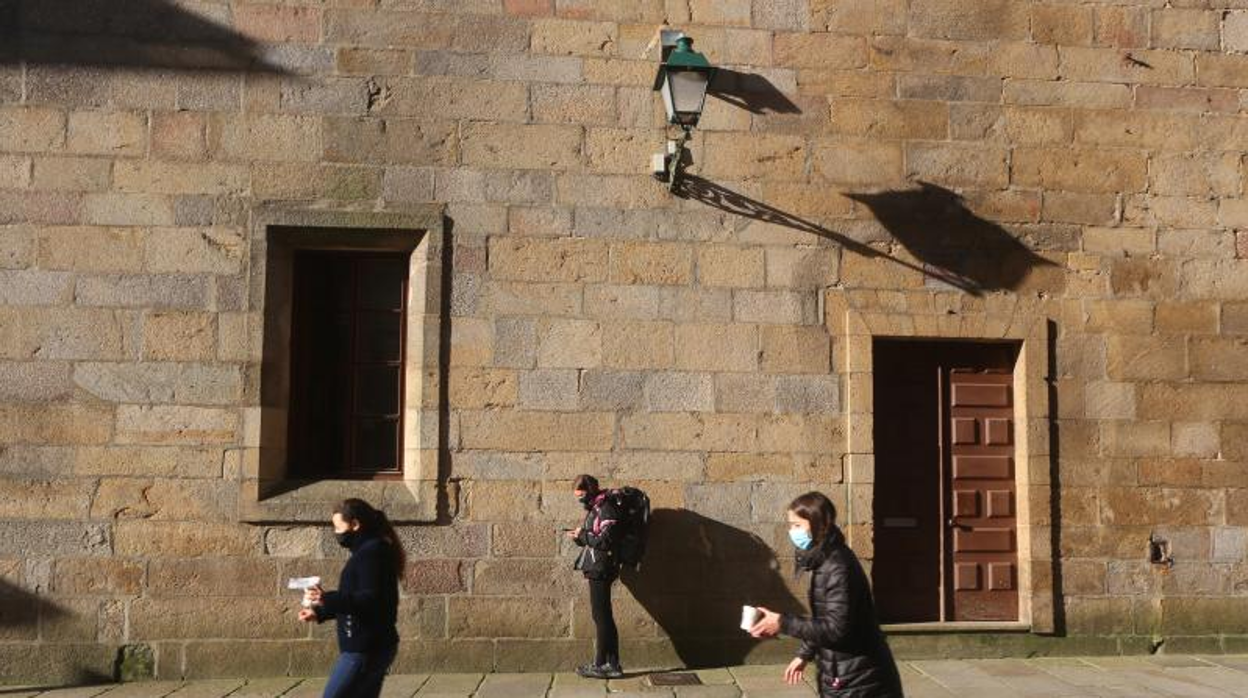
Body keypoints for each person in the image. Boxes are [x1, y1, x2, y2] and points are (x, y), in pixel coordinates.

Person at [749, 492, 904, 698]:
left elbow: (836, 629)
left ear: (819, 525)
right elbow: (824, 619)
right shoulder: (824, 561)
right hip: (843, 673)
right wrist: (804, 654)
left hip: (859, 679)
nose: (792, 532)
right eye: (790, 525)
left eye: (797, 525)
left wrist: (783, 623)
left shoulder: (837, 567)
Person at [300, 498, 405, 698]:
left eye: (338, 528)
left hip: (365, 648)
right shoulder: (369, 551)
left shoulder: (372, 553)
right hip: (373, 646)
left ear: (355, 525)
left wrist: (325, 598)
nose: (337, 534)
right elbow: (355, 598)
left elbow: (370, 600)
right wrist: (319, 611)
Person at [567, 474, 624, 679]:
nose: (580, 501)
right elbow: (594, 538)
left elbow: (606, 540)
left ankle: (603, 664)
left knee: (601, 617)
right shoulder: (596, 508)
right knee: (602, 616)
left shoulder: (605, 508)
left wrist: (582, 535)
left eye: (581, 496)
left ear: (590, 492)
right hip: (597, 566)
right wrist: (580, 536)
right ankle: (612, 664)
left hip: (602, 568)